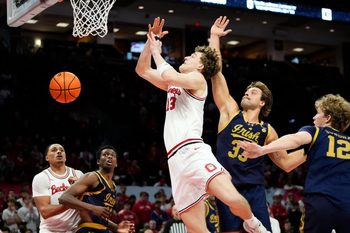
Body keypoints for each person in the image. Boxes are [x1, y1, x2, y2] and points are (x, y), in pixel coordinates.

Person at [135, 16, 270, 233]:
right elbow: (142, 70)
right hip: (175, 160)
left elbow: (168, 73)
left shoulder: (197, 80)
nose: (186, 56)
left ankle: (255, 224)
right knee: (196, 229)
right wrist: (150, 42)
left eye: (192, 56)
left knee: (231, 198)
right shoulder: (176, 83)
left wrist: (157, 52)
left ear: (200, 65)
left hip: (193, 151)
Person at [208, 16, 305, 233]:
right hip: (227, 186)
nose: (246, 92)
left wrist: (312, 146)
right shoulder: (229, 112)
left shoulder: (267, 130)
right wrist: (214, 37)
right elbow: (216, 72)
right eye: (247, 90)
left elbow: (286, 163)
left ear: (262, 102)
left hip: (254, 189)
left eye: (253, 92)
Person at [238, 94, 350, 233]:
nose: (314, 117)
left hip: (321, 201)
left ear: (328, 118)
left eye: (318, 113)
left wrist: (263, 149)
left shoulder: (317, 132)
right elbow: (288, 163)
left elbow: (295, 139)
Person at [58, 145, 134, 233]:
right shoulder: (92, 177)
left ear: (116, 163)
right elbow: (64, 198)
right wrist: (93, 208)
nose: (109, 156)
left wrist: (117, 227)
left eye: (112, 155)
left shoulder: (113, 186)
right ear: (98, 161)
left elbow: (99, 218)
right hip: (87, 228)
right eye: (105, 155)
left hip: (101, 228)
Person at [32, 143, 83, 233]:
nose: (59, 151)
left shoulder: (78, 175)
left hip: (75, 229)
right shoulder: (41, 177)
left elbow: (88, 200)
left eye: (61, 150)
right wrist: (72, 202)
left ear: (65, 157)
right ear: (47, 158)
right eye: (54, 150)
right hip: (50, 230)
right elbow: (45, 212)